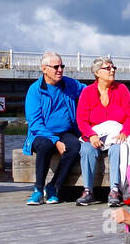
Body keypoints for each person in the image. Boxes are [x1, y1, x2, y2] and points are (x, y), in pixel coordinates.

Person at [23, 52, 84, 205]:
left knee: (75, 146)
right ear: (44, 69)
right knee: (45, 145)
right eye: (56, 67)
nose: (60, 70)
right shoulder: (35, 90)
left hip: (66, 132)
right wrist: (56, 141)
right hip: (41, 133)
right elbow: (35, 123)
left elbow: (89, 91)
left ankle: (54, 187)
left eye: (62, 66)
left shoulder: (70, 84)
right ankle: (38, 189)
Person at [76, 57, 130, 207]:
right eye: (108, 68)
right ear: (97, 73)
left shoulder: (122, 89)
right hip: (95, 135)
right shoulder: (87, 92)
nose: (112, 70)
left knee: (118, 148)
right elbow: (82, 120)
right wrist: (91, 135)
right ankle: (88, 191)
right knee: (86, 149)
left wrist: (125, 132)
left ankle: (115, 191)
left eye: (113, 67)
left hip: (116, 134)